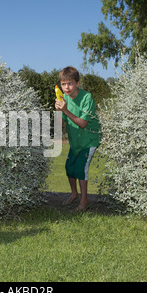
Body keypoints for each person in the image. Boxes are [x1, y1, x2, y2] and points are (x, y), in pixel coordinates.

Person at [55, 67, 102, 212]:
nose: (66, 87)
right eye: (63, 84)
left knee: (81, 169)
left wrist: (65, 110)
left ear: (77, 83)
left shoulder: (87, 97)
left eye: (70, 83)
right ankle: (74, 194)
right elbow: (63, 122)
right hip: (75, 141)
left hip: (89, 140)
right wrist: (59, 111)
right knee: (69, 168)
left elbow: (82, 123)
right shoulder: (64, 99)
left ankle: (84, 202)